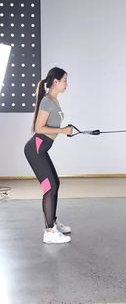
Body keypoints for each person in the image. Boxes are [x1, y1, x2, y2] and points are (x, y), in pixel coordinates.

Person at [24, 67, 73, 244]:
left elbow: (49, 127)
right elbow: (38, 129)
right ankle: (49, 231)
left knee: (55, 183)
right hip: (35, 149)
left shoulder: (53, 100)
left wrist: (64, 130)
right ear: (56, 82)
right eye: (65, 80)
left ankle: (52, 220)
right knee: (49, 187)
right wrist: (62, 130)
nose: (67, 83)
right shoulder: (47, 101)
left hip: (41, 149)